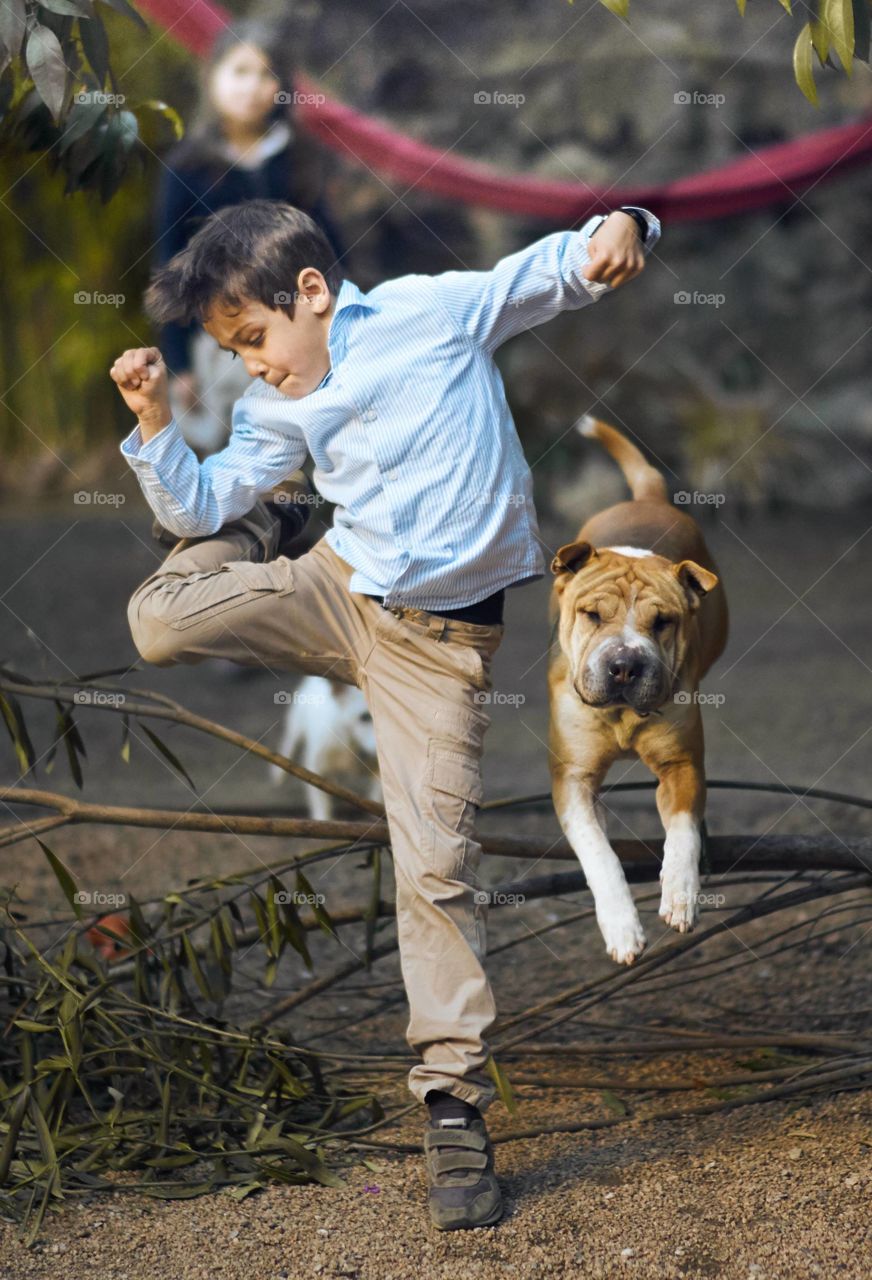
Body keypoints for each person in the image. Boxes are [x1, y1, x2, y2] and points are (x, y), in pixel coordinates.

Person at [110, 197, 660, 1231]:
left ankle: (451, 1103)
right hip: (332, 585)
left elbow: (551, 269)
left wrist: (623, 221)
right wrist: (153, 424)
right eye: (232, 351)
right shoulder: (274, 409)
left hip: (437, 650)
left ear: (310, 293)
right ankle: (273, 524)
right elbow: (191, 506)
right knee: (157, 617)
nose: (253, 367)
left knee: (435, 864)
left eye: (253, 340)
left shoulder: (430, 312)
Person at [153, 20, 344, 458]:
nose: (252, 87)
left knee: (302, 452)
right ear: (212, 76)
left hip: (298, 333)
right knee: (230, 453)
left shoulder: (297, 156)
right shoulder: (186, 166)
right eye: (239, 72)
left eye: (266, 74)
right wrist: (179, 364)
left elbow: (329, 246)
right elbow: (169, 261)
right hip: (219, 343)